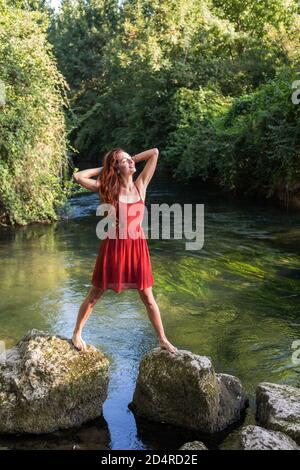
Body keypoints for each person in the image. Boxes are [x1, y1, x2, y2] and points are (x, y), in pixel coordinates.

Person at [71, 147, 178, 354]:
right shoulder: (108, 189)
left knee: (148, 297)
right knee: (95, 294)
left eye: (130, 160)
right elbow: (78, 176)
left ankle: (163, 340)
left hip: (137, 247)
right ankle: (76, 333)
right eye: (123, 161)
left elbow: (155, 152)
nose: (130, 163)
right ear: (116, 167)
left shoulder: (141, 185)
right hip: (114, 247)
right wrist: (106, 168)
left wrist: (131, 158)